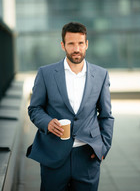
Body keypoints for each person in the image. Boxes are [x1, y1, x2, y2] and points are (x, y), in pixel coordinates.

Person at [26, 22, 114, 191]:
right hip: (53, 155)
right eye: (71, 43)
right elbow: (34, 108)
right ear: (63, 45)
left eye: (81, 43)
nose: (76, 48)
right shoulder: (46, 74)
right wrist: (48, 123)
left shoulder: (101, 75)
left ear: (87, 44)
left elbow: (106, 115)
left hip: (87, 155)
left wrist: (103, 148)